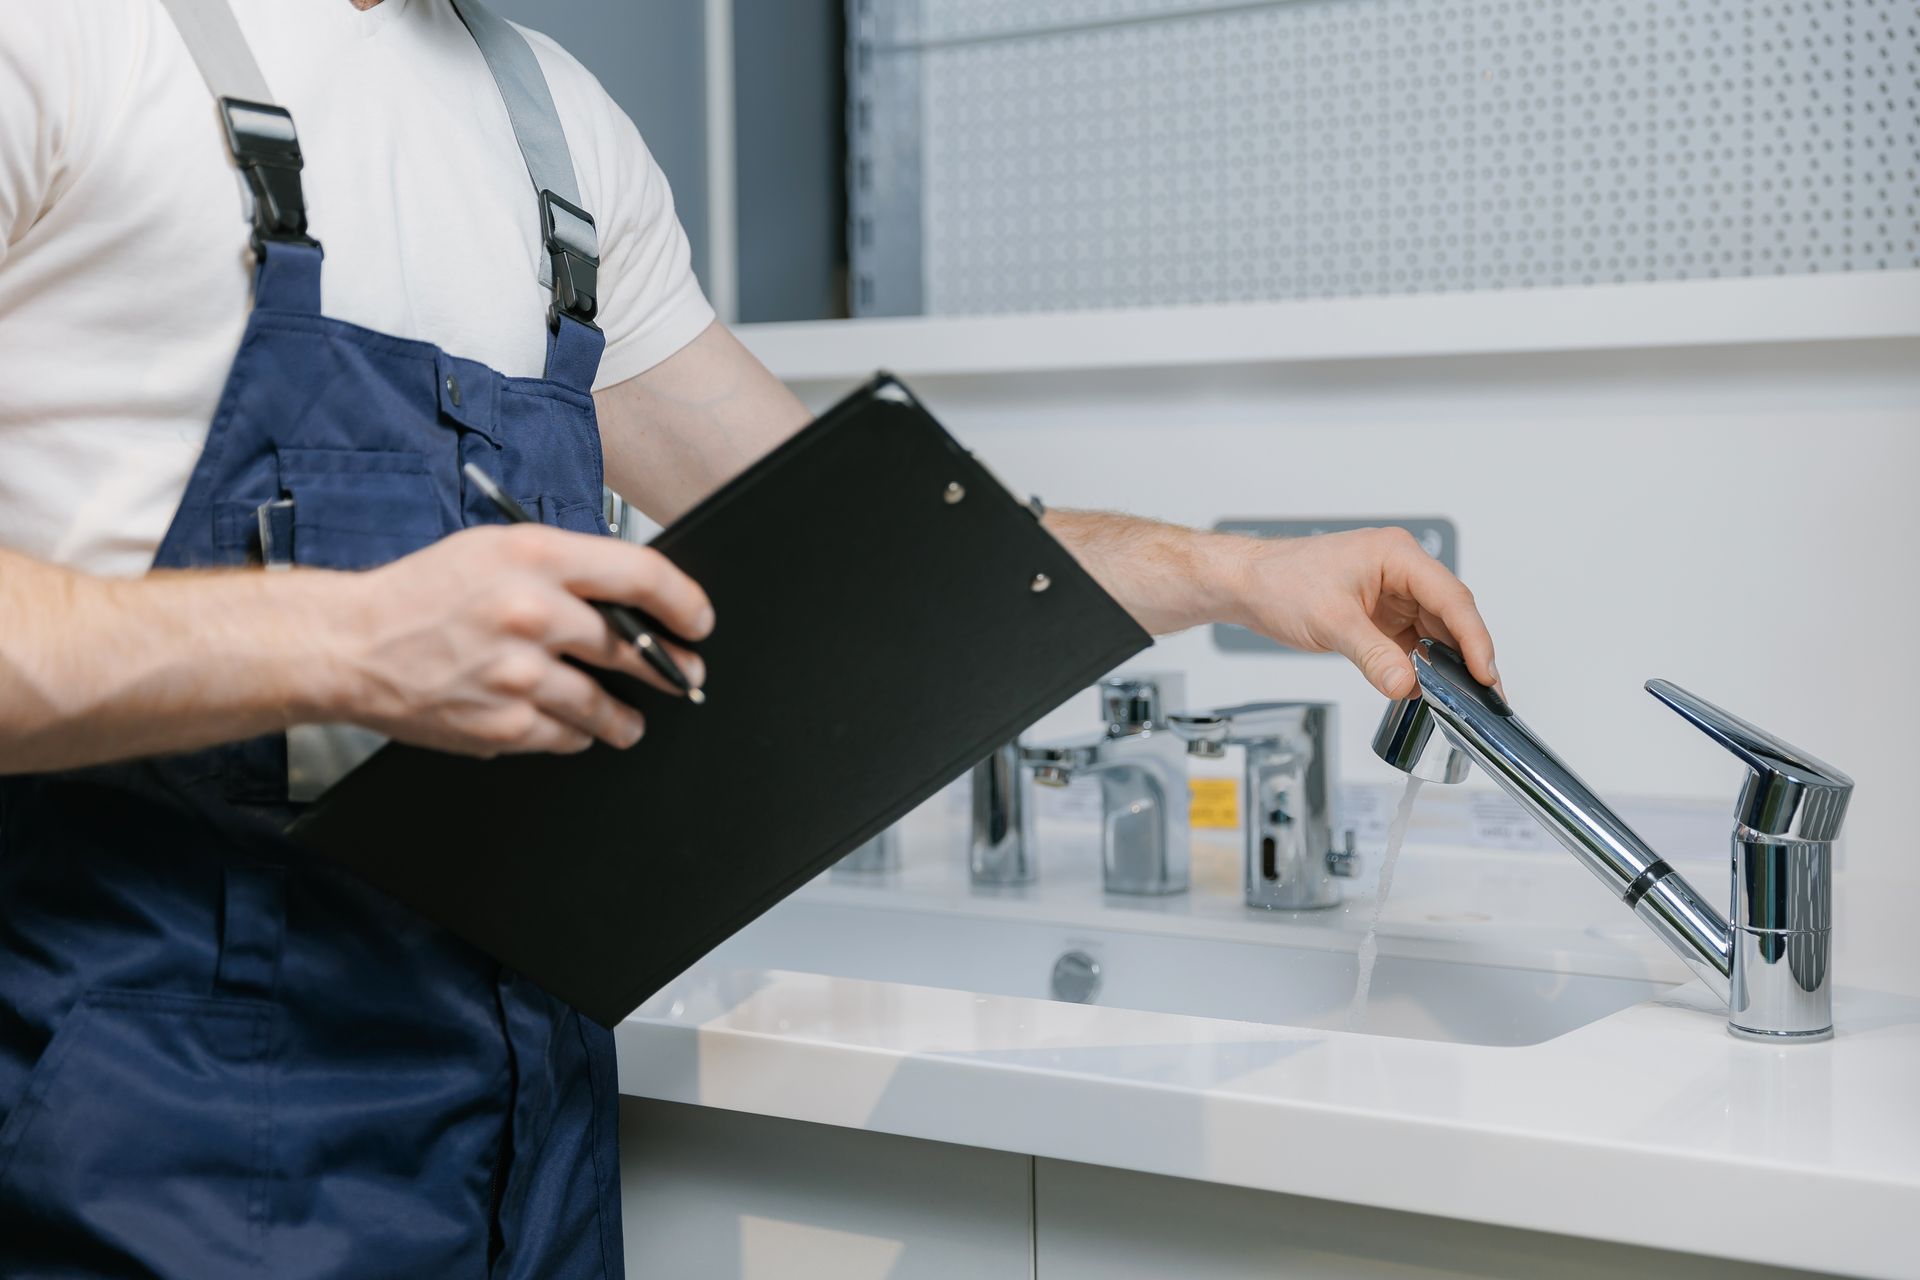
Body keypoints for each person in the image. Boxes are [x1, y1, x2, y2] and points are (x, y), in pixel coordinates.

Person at [0, 1, 1501, 1275]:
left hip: (533, 1144)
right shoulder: (66, 45)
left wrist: (1233, 573)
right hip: (157, 1150)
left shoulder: (556, 137)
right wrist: (344, 642)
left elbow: (874, 558)